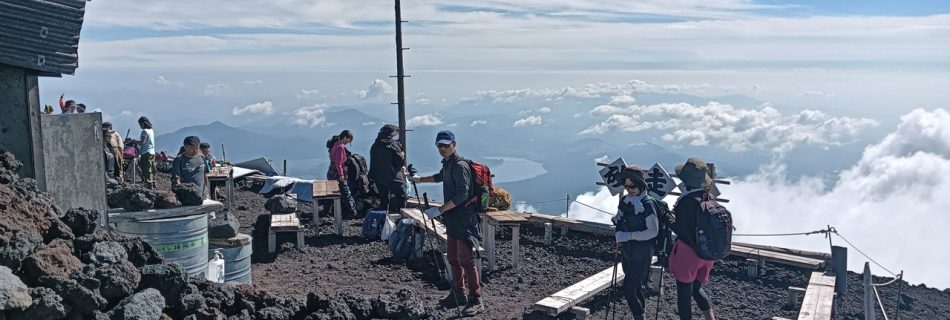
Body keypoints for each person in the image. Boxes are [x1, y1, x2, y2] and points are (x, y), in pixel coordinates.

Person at [411, 130, 484, 316]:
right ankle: (458, 293)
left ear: (454, 144)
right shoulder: (449, 164)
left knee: (466, 260)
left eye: (446, 145)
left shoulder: (459, 166)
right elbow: (439, 176)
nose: (442, 148)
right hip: (454, 218)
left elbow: (462, 194)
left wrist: (440, 210)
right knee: (453, 257)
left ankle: (476, 299)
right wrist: (419, 180)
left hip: (464, 220)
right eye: (439, 145)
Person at [669, 158, 717, 320]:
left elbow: (680, 230)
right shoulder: (708, 198)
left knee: (684, 298)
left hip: (688, 254)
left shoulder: (686, 201)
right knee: (696, 289)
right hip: (708, 254)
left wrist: (667, 217)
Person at [612, 165, 659, 320]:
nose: (629, 189)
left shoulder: (647, 204)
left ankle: (640, 317)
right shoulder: (627, 201)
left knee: (628, 289)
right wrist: (617, 221)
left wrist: (628, 236)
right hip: (628, 250)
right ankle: (641, 315)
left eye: (632, 186)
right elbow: (620, 217)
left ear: (640, 185)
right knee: (635, 286)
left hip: (642, 252)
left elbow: (653, 231)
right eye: (626, 186)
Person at [369, 124, 407, 212]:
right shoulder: (392, 146)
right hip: (393, 178)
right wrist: (402, 154)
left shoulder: (375, 146)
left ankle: (382, 220)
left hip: (378, 178)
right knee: (401, 197)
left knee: (384, 200)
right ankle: (400, 218)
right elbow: (399, 162)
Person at [326, 130, 357, 217]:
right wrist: (341, 175)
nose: (348, 142)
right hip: (337, 173)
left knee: (332, 192)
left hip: (331, 171)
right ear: (344, 138)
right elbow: (338, 163)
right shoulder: (340, 147)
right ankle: (352, 212)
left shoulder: (335, 143)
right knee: (346, 192)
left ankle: (325, 211)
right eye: (348, 140)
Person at [137, 116, 157, 188]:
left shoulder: (144, 131)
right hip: (152, 152)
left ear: (142, 123)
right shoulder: (151, 130)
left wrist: (134, 141)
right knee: (152, 167)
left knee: (146, 168)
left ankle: (148, 182)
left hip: (145, 152)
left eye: (140, 124)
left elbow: (142, 142)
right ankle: (153, 181)